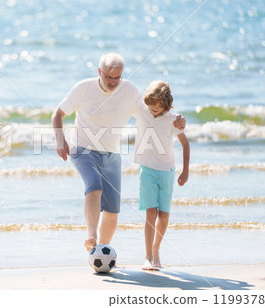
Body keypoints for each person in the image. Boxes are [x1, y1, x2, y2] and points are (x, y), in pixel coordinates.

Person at [51, 53, 186, 252]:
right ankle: (92, 236)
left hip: (111, 153)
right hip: (82, 148)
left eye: (117, 77)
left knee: (113, 210)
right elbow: (58, 114)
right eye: (108, 77)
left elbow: (152, 112)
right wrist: (60, 140)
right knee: (94, 186)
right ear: (100, 72)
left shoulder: (129, 91)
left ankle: (102, 251)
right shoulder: (83, 88)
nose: (113, 82)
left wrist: (177, 119)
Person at [133, 80, 190, 270]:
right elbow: (124, 98)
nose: (155, 109)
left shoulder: (173, 119)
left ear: (166, 105)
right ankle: (148, 255)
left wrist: (186, 169)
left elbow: (185, 144)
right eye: (152, 105)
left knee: (164, 216)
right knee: (151, 212)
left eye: (159, 106)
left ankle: (156, 249)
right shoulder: (141, 111)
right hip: (147, 170)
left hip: (167, 172)